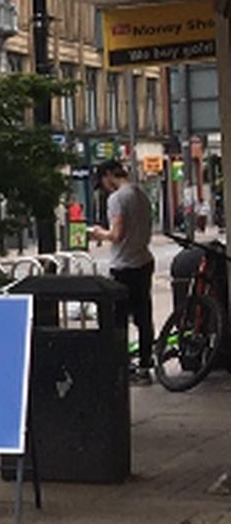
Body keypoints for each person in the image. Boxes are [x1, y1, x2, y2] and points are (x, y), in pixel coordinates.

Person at [92, 159, 156, 383]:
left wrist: (99, 233)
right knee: (143, 316)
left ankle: (122, 366)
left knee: (118, 319)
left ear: (110, 174)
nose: (104, 186)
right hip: (144, 260)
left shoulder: (117, 198)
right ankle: (146, 365)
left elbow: (116, 234)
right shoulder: (141, 194)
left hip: (124, 265)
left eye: (103, 181)